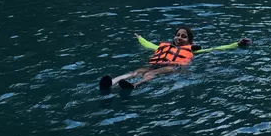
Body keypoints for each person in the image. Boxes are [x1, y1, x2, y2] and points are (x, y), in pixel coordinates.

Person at [99, 26, 250, 91]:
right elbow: (148, 45)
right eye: (177, 35)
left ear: (190, 41)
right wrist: (140, 38)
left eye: (183, 36)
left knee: (150, 74)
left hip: (173, 67)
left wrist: (236, 44)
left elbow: (215, 48)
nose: (179, 38)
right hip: (157, 63)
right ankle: (112, 82)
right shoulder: (163, 47)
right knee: (135, 71)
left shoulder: (192, 50)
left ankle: (135, 86)